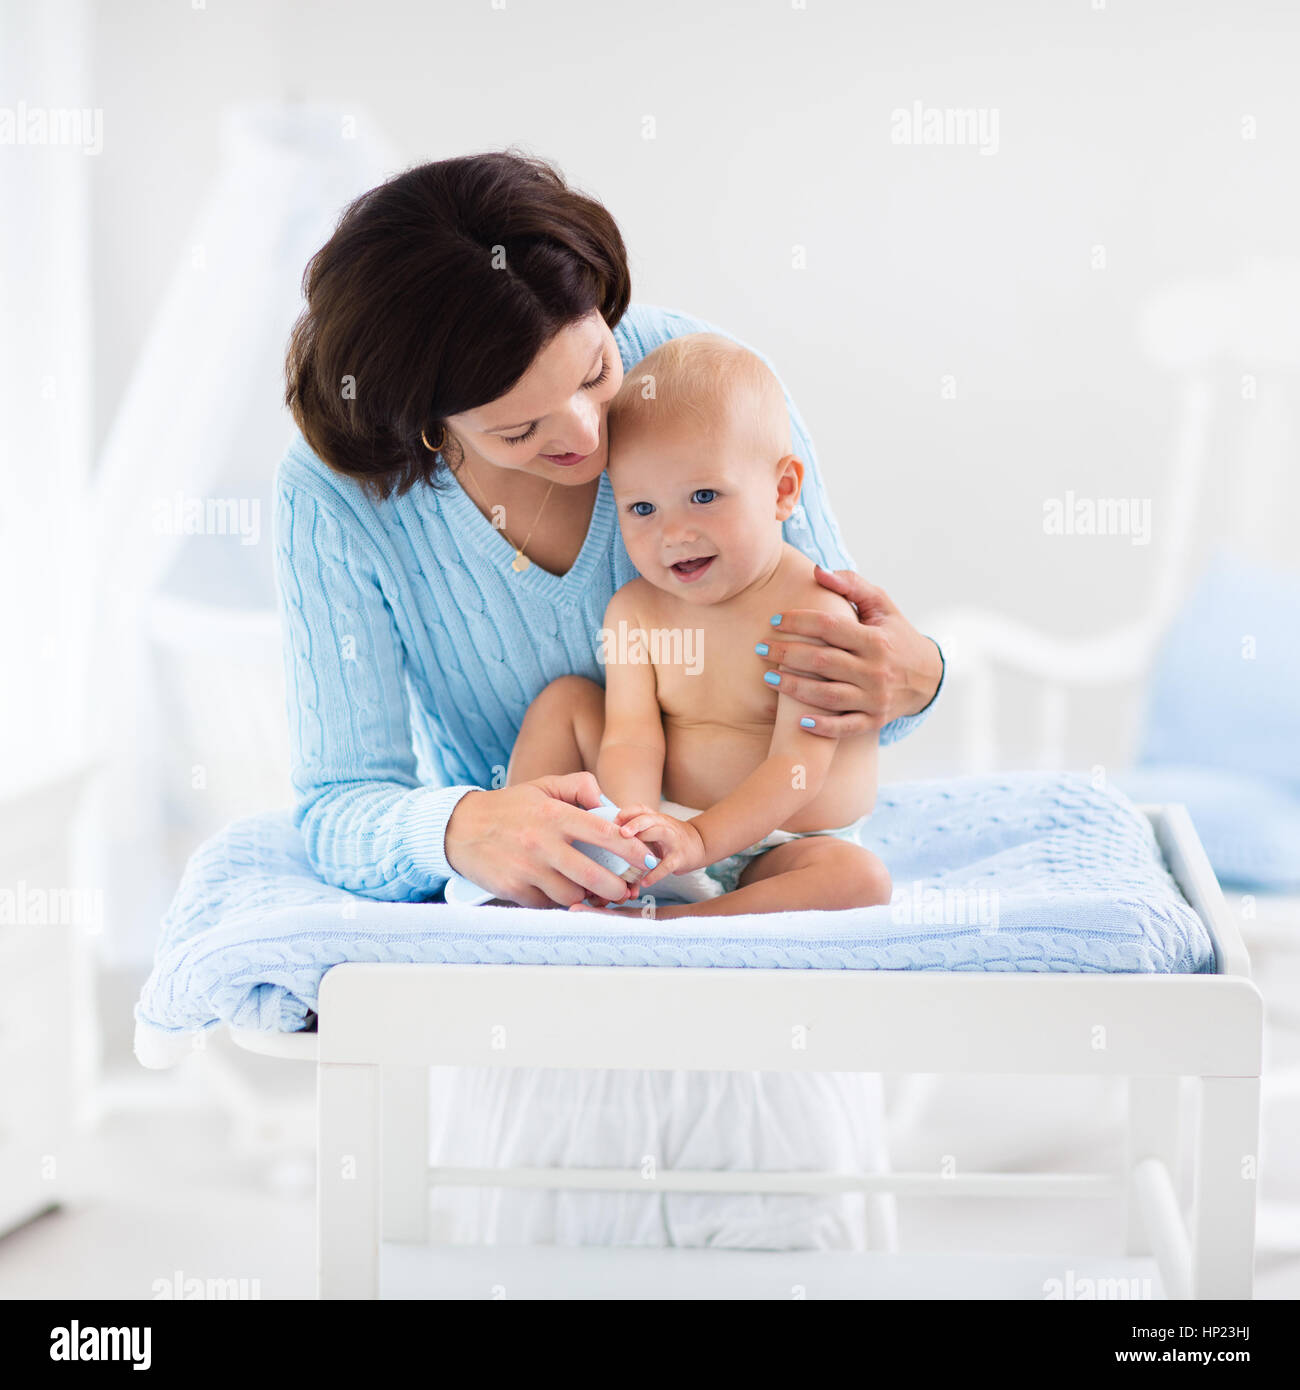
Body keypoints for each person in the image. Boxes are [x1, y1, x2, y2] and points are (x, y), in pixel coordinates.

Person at [278, 150, 945, 1246]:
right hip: (564, 919)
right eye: (517, 429)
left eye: (591, 372)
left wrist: (914, 671)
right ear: (423, 424)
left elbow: (850, 694)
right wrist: (463, 824)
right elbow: (338, 801)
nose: (588, 438)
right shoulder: (336, 499)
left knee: (787, 1233)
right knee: (546, 1241)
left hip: (751, 930)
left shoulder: (694, 383)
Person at [507, 333, 893, 916]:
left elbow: (798, 769)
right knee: (564, 702)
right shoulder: (636, 611)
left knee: (860, 880)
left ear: (783, 490)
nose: (674, 533)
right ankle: (533, 874)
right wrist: (635, 828)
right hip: (669, 825)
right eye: (643, 508)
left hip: (784, 841)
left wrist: (701, 841)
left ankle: (684, 920)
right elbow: (632, 736)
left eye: (704, 495)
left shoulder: (815, 614)